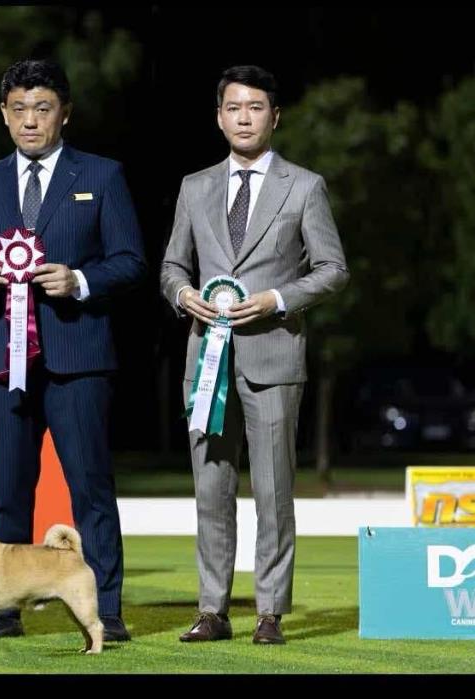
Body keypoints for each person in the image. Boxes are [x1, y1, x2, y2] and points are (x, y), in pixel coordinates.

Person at [0, 58, 145, 642]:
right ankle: (3, 610)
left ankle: (105, 610)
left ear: (65, 113)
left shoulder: (102, 175)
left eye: (42, 108)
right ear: (3, 115)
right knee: (8, 490)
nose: (30, 120)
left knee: (91, 489)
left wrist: (80, 280)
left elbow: (131, 260)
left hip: (78, 359)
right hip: (1, 359)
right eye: (19, 109)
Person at [160, 65, 349, 645]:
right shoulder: (194, 186)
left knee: (273, 492)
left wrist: (277, 298)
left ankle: (270, 612)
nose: (244, 118)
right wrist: (184, 294)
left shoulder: (305, 186)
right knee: (211, 492)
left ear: (275, 116)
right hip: (207, 362)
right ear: (219, 117)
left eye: (256, 107)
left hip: (274, 359)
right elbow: (172, 266)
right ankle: (212, 610)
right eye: (234, 108)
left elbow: (333, 269)